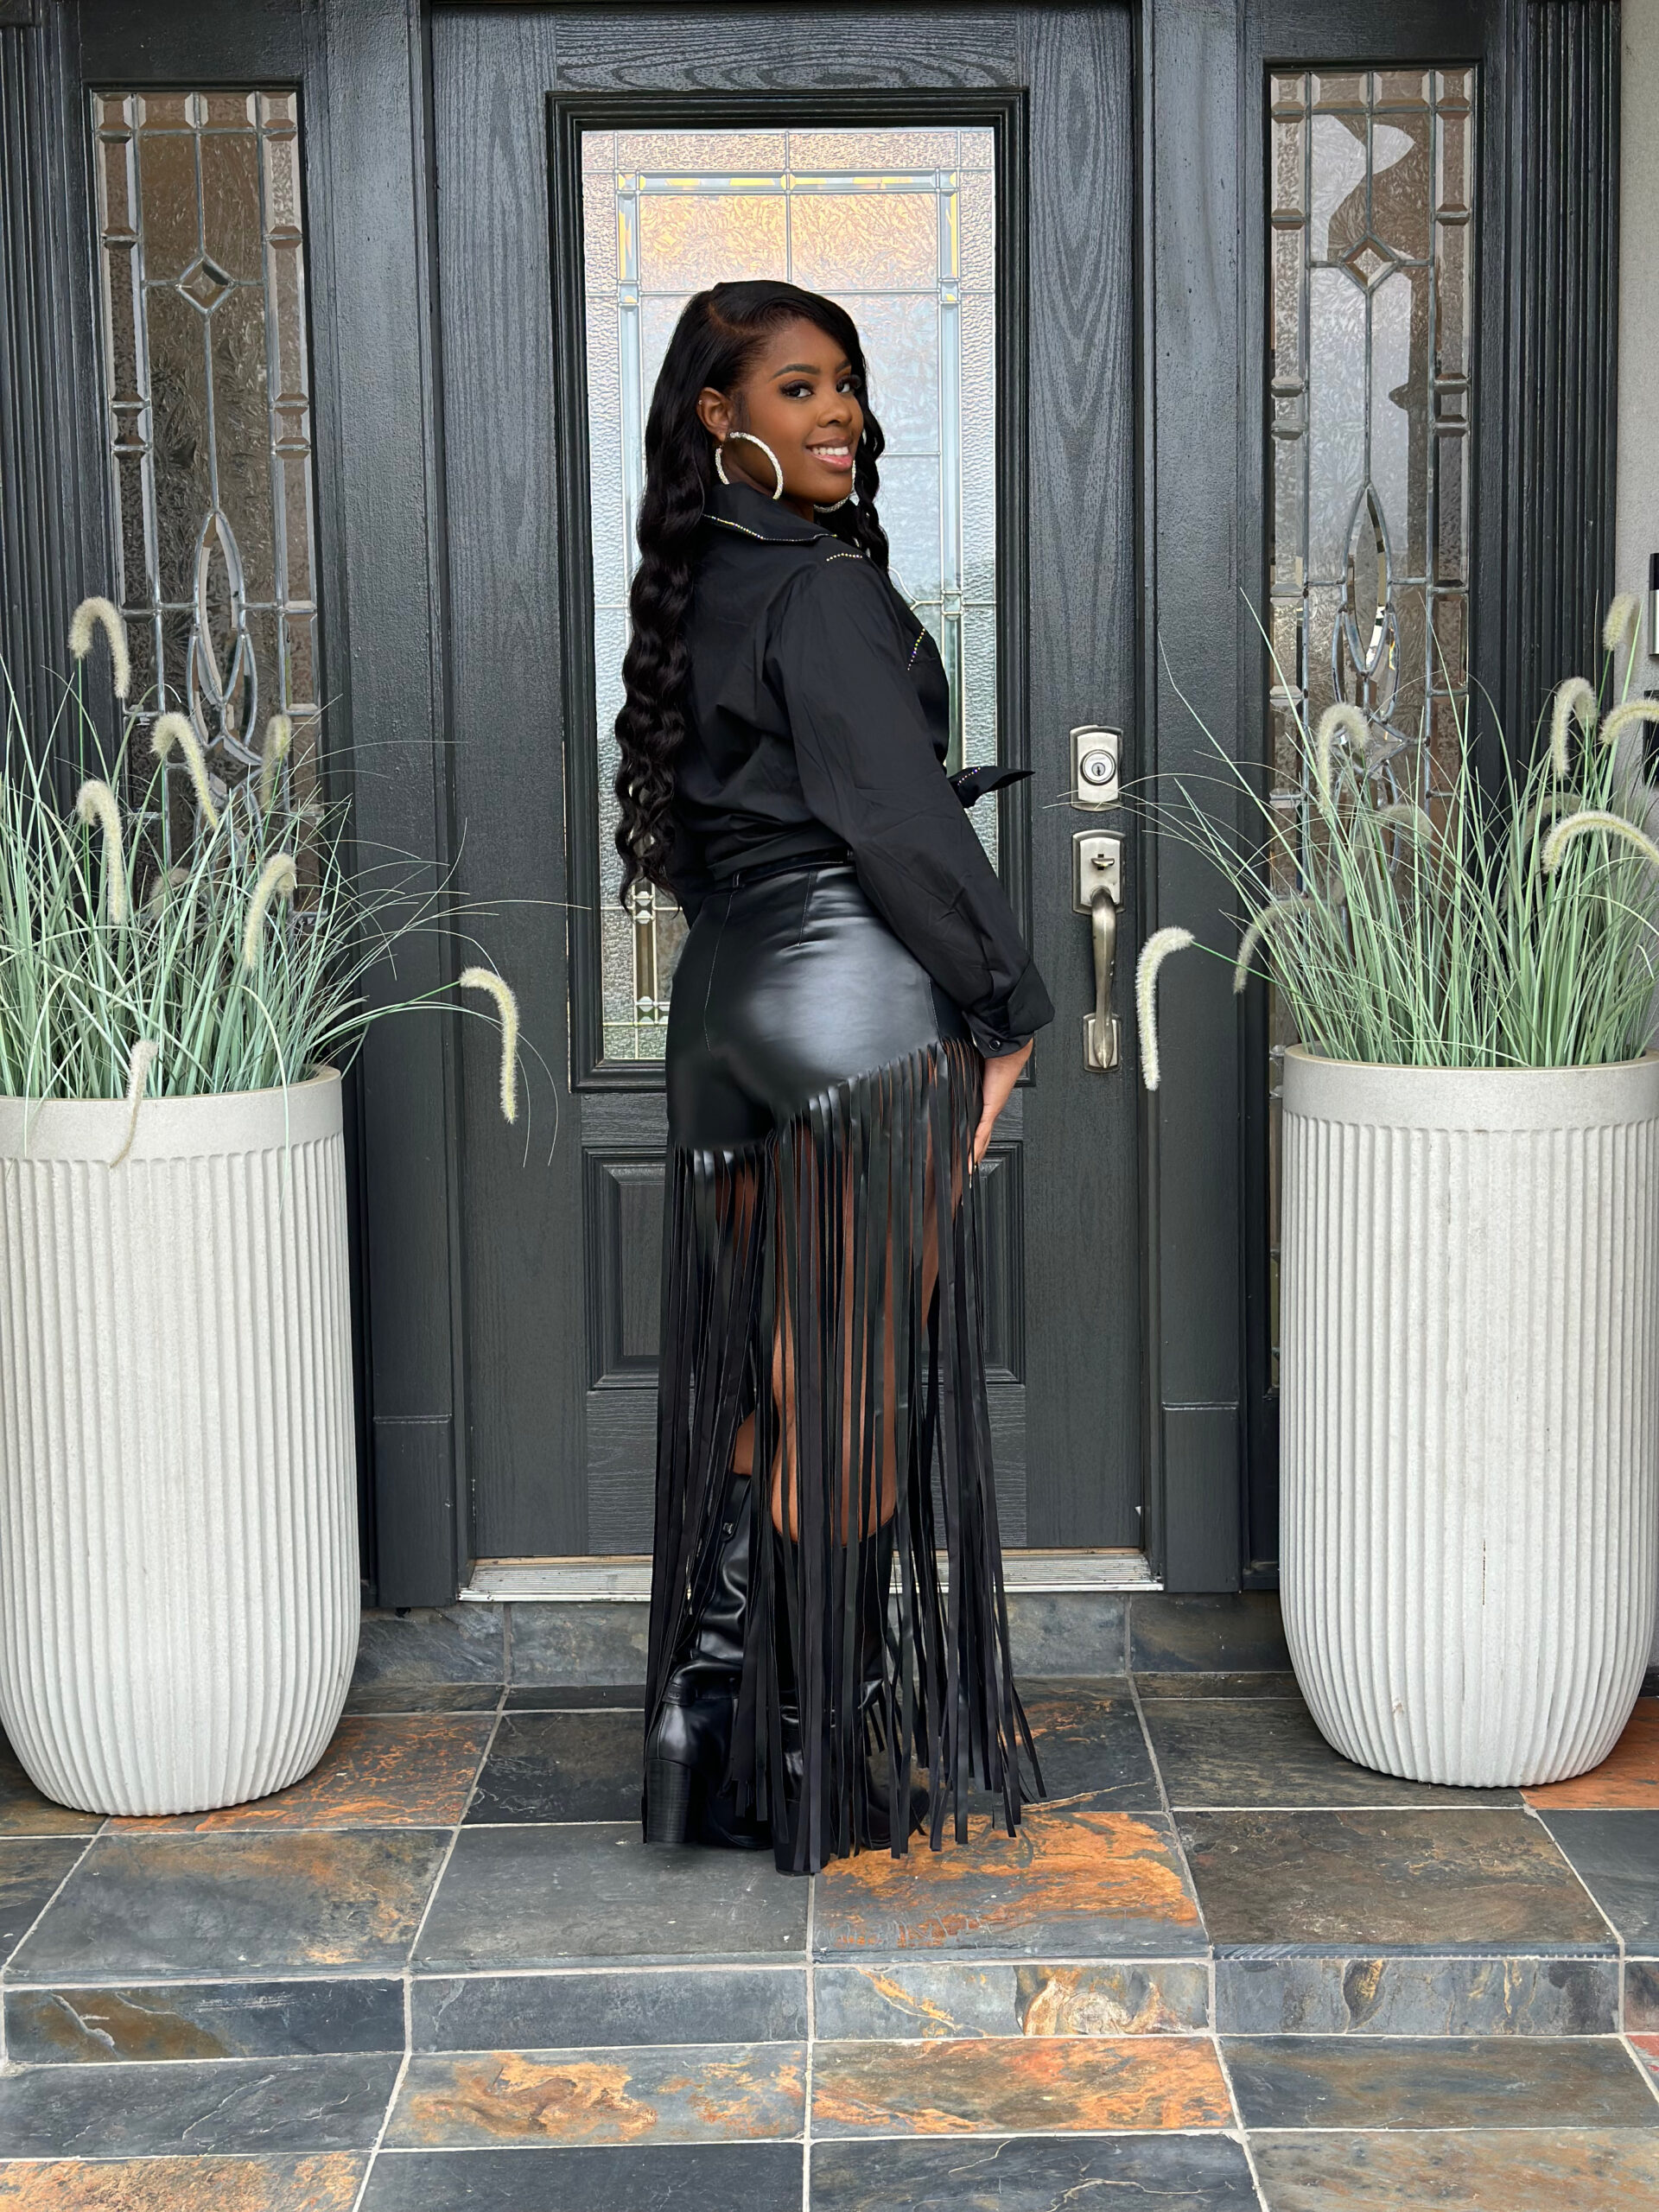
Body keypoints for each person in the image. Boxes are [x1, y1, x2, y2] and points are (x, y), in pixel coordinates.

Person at [615, 277, 1053, 1874]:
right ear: (720, 415)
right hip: (852, 1002)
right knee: (851, 1391)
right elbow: (895, 821)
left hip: (724, 1010)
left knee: (778, 1381)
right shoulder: (821, 588)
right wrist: (1007, 1006)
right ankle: (814, 1758)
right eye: (798, 388)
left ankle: (706, 1716)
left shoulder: (699, 590)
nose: (841, 415)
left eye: (849, 386)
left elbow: (715, 829)